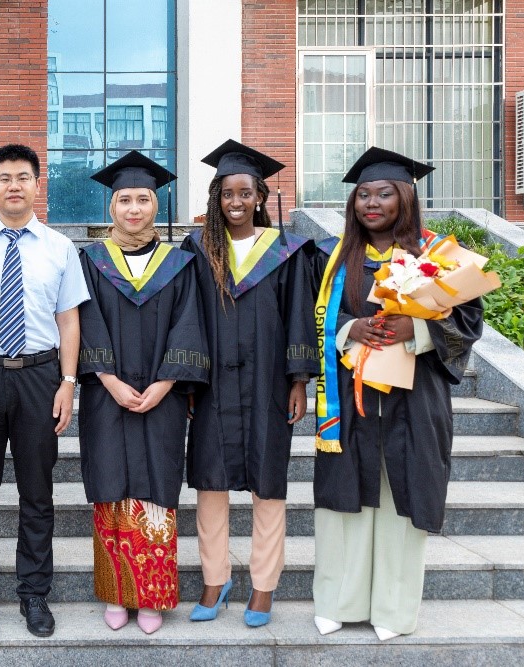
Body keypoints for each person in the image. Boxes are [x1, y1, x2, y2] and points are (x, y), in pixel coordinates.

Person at [311, 147, 483, 640]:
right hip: (350, 395)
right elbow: (308, 316)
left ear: (404, 198)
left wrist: (417, 329)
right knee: (344, 500)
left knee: (400, 497)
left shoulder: (437, 256)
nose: (372, 203)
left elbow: (468, 322)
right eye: (363, 194)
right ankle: (338, 601)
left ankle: (393, 608)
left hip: (415, 397)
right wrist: (351, 329)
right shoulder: (331, 257)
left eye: (384, 193)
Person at [0, 144, 89, 639]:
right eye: (4, 178)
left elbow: (69, 321)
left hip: (39, 376)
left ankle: (34, 594)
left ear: (36, 184)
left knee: (38, 493)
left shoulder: (60, 248)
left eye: (23, 177)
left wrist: (67, 382)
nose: (13, 185)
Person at [182, 140, 319, 628]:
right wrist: (189, 380)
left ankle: (263, 586)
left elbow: (299, 315)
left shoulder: (287, 251)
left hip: (267, 382)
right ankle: (215, 579)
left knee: (269, 484)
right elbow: (187, 317)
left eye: (245, 193)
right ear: (216, 198)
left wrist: (299, 381)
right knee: (210, 483)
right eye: (227, 193)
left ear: (261, 195)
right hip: (213, 382)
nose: (235, 202)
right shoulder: (198, 248)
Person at [77, 151, 209, 634]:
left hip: (162, 396)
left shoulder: (179, 264)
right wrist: (108, 379)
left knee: (156, 488)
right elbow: (84, 321)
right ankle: (116, 592)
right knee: (110, 484)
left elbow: (189, 323)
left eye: (143, 200)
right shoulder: (90, 261)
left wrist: (166, 382)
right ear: (111, 207)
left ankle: (151, 595)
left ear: (157, 205)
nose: (134, 208)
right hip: (105, 393)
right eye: (125, 200)